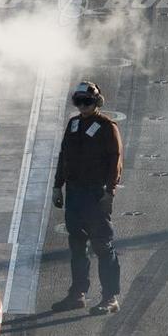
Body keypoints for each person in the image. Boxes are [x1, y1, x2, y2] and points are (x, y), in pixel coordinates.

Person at [51, 81, 123, 316]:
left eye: (87, 102)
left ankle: (110, 297)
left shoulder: (107, 127)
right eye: (78, 102)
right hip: (74, 193)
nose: (82, 106)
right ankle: (77, 294)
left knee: (102, 244)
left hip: (95, 194)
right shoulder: (73, 124)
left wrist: (110, 192)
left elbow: (115, 161)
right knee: (77, 244)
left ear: (96, 102)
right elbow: (64, 156)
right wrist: (57, 186)